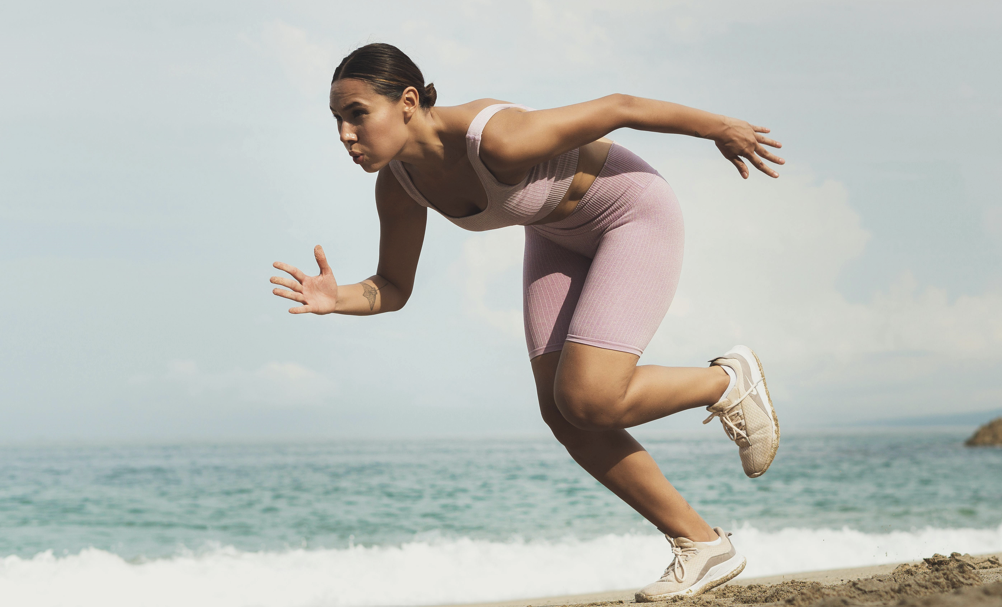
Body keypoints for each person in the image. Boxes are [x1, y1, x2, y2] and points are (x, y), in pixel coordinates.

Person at [270, 43, 785, 602]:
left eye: (357, 114)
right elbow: (393, 287)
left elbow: (621, 106)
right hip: (554, 233)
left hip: (630, 212)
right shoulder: (399, 184)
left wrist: (722, 128)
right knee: (562, 412)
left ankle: (727, 381)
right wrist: (334, 298)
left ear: (408, 102)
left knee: (590, 398)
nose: (345, 134)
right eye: (337, 120)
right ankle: (701, 544)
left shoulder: (496, 137)